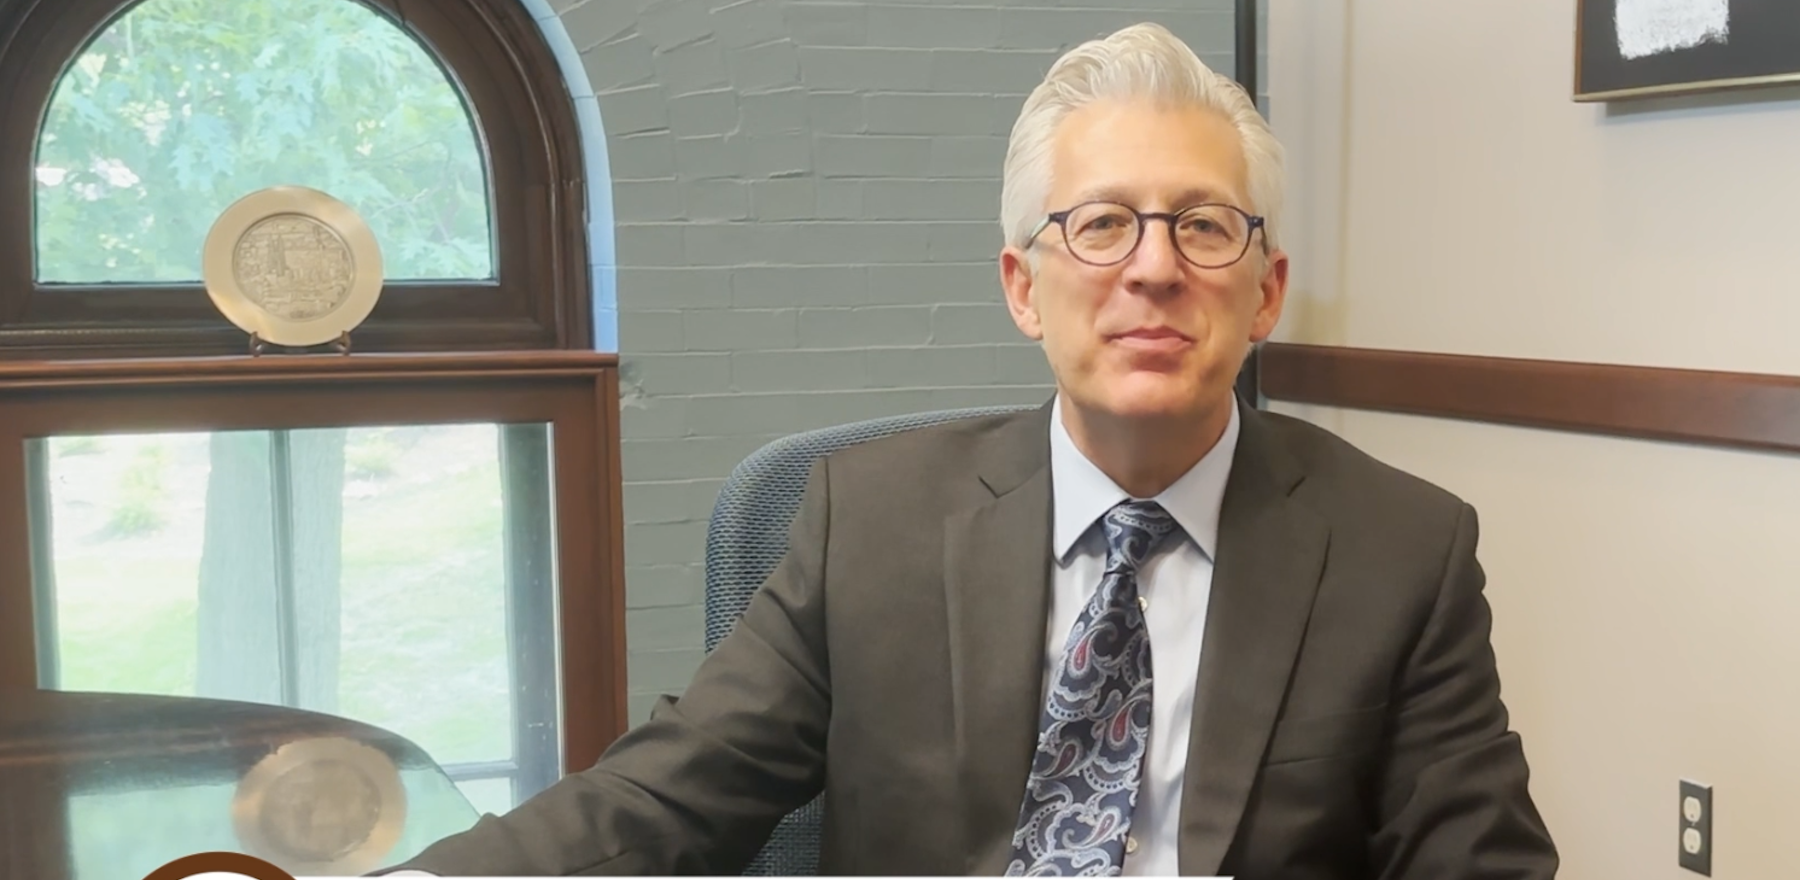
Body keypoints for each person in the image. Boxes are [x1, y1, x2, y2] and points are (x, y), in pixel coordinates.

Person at [381, 22, 1558, 878]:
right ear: (1022, 288)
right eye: (1100, 223)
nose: (1154, 266)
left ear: (1267, 294)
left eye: (1204, 225)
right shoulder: (871, 523)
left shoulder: (1402, 550)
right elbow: (668, 794)